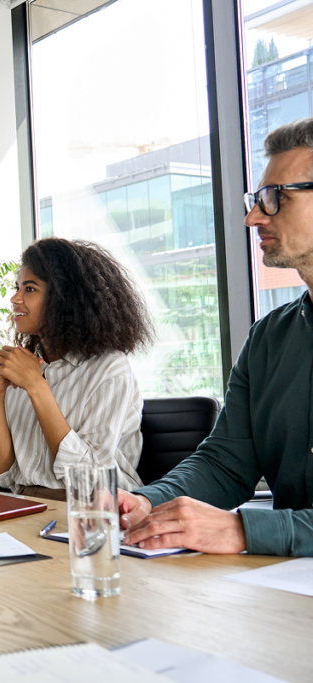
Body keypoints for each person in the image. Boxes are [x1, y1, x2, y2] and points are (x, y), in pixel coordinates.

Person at [120, 118, 313, 557]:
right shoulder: (268, 338)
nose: (252, 217)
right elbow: (226, 464)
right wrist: (147, 501)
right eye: (257, 199)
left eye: (274, 198)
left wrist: (244, 531)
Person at [0, 238, 153, 501]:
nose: (14, 299)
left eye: (29, 289)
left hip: (91, 513)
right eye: (17, 288)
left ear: (64, 297)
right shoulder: (25, 364)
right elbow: (2, 474)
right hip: (25, 505)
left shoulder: (109, 369)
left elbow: (91, 480)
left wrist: (37, 386)